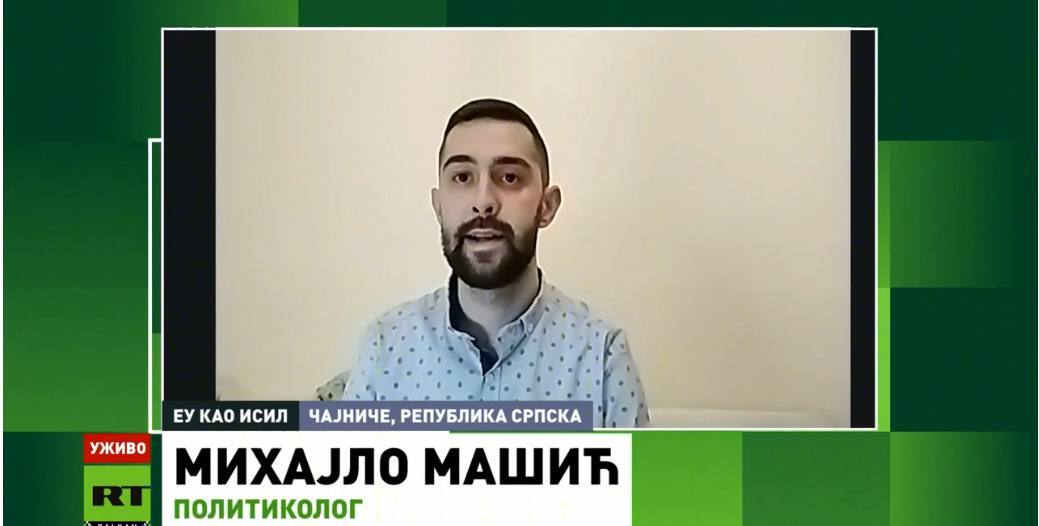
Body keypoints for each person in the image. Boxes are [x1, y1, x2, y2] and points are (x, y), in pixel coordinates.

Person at [343, 98, 649, 427]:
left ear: (546, 206)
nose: (483, 202)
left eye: (509, 178)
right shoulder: (383, 347)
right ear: (438, 206)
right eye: (463, 177)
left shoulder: (602, 356)